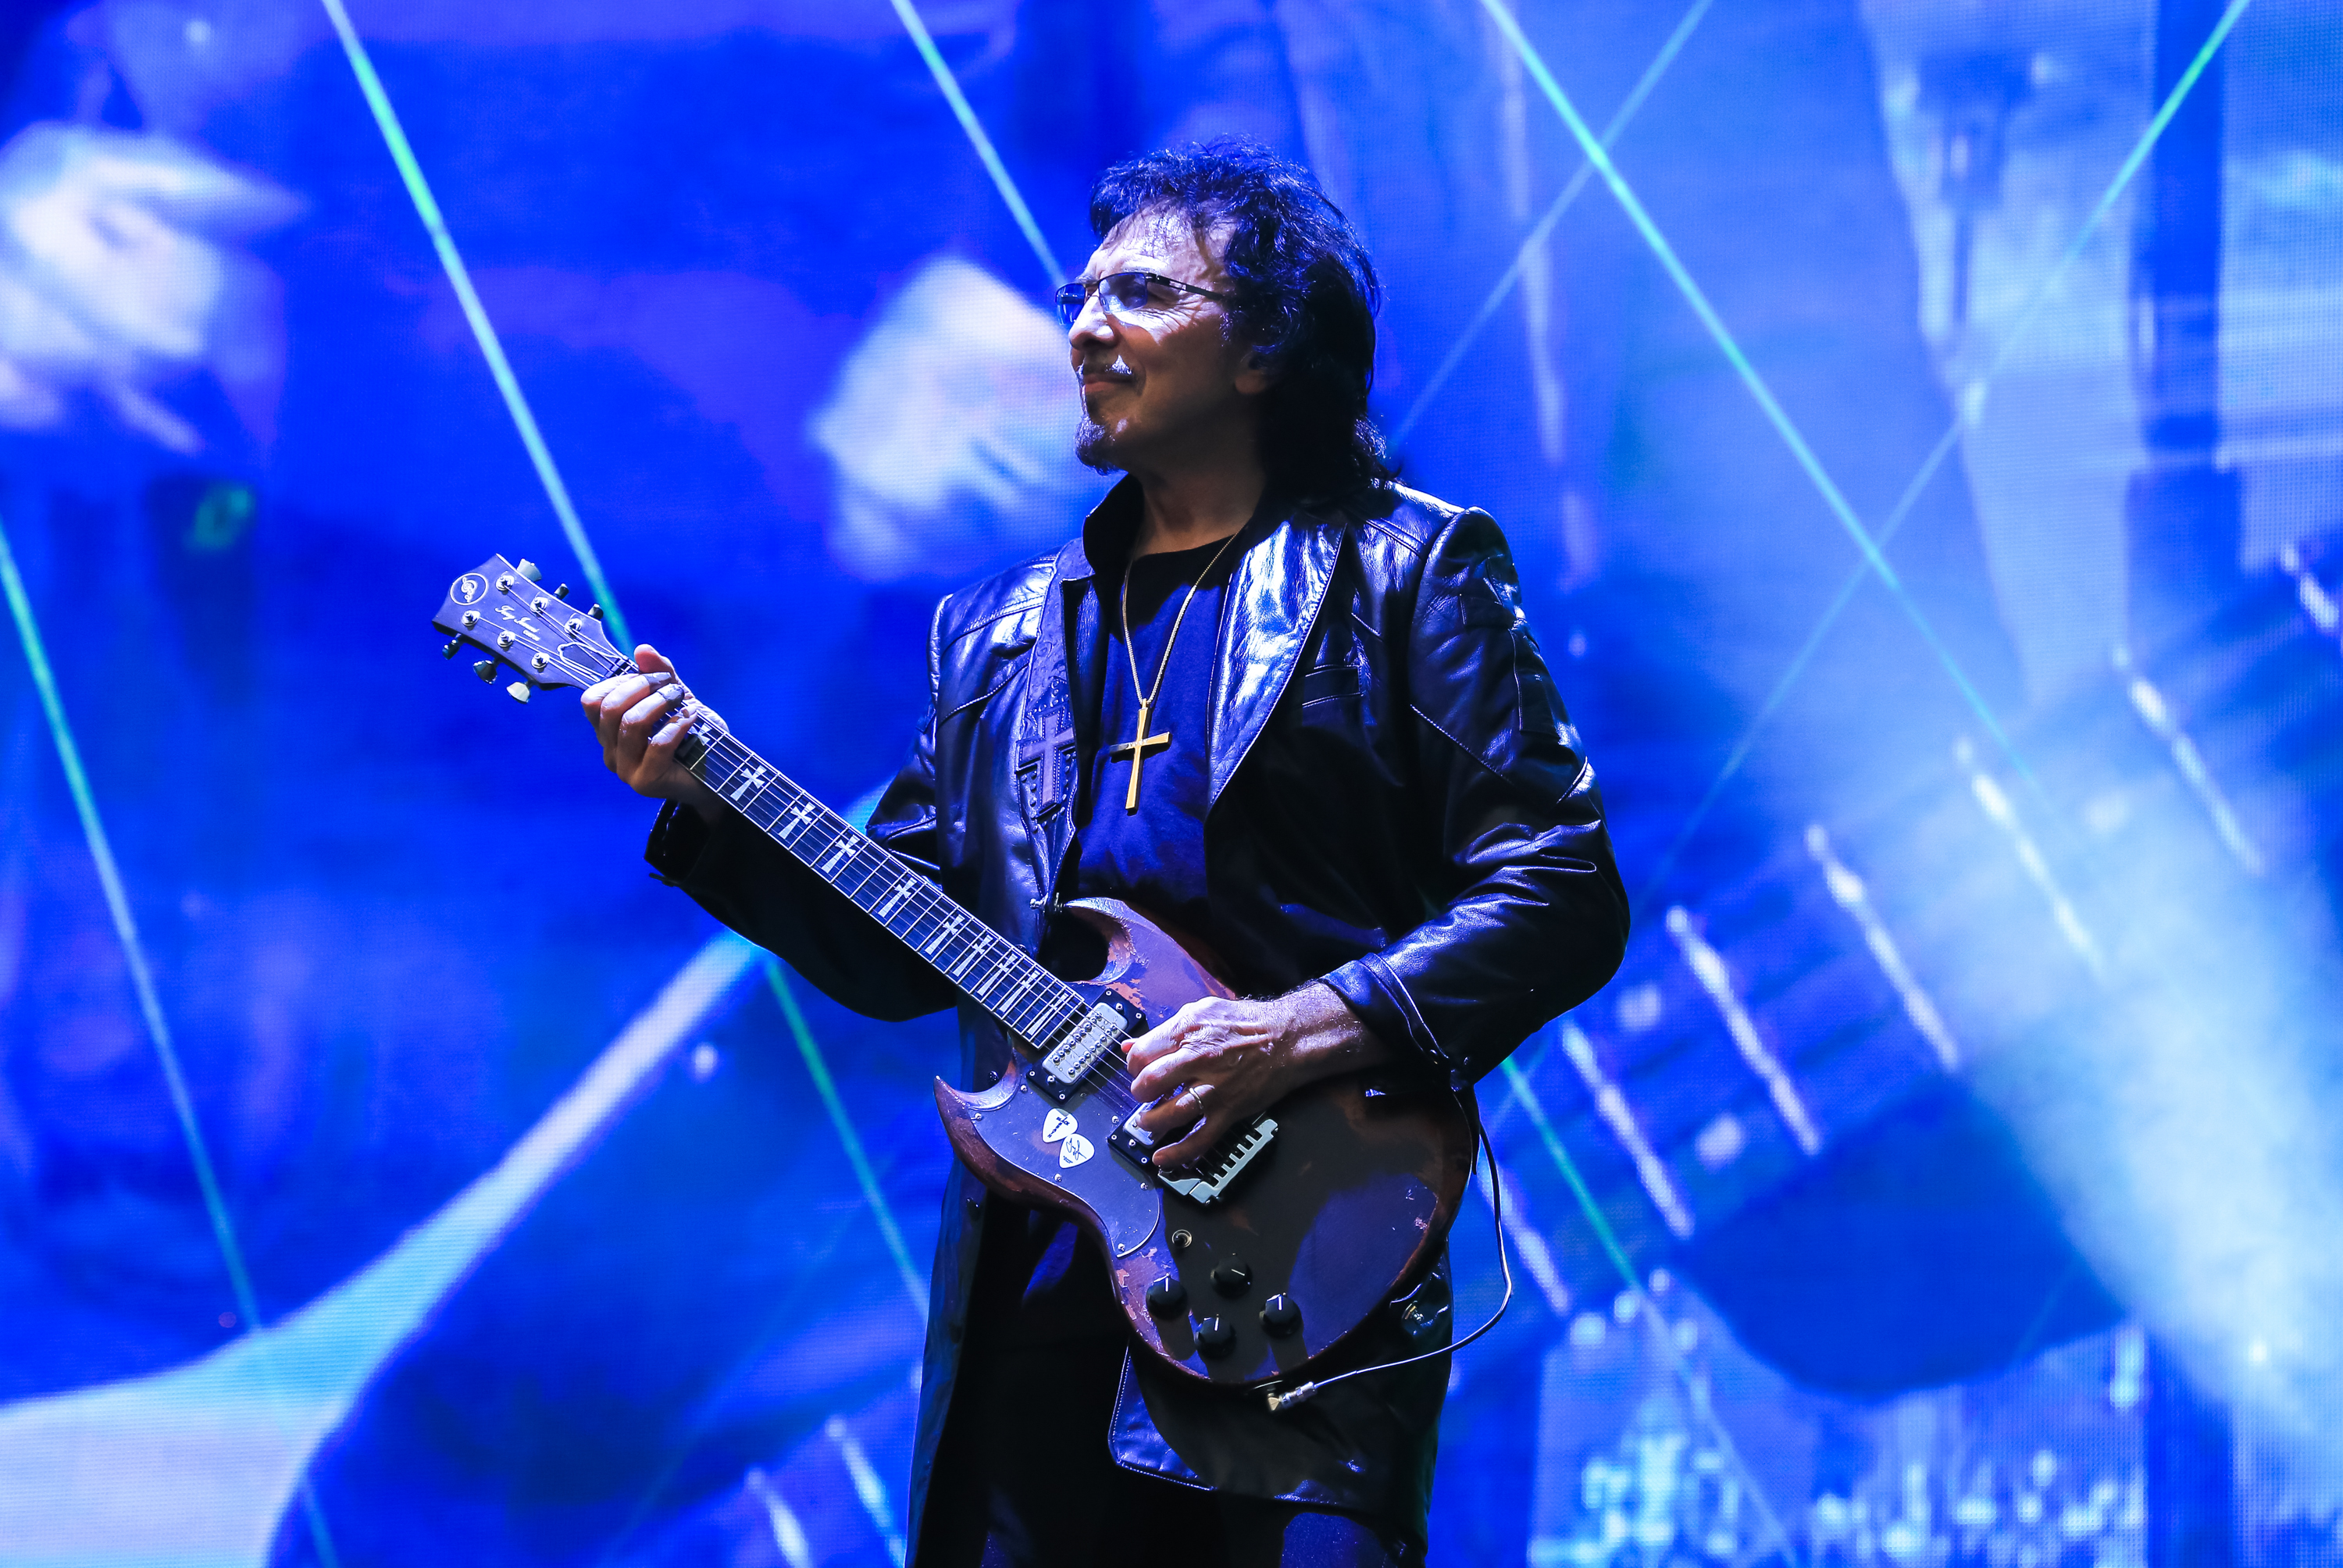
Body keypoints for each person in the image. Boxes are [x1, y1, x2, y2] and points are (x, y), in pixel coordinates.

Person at [583, 140, 1628, 1566]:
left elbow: (1559, 884)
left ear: (1261, 347)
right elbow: (902, 945)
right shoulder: (997, 636)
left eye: (1139, 293)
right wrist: (702, 795)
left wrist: (1296, 1031)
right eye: (1080, 295)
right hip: (1042, 1301)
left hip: (1300, 1288)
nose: (1084, 327)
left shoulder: (1405, 574)